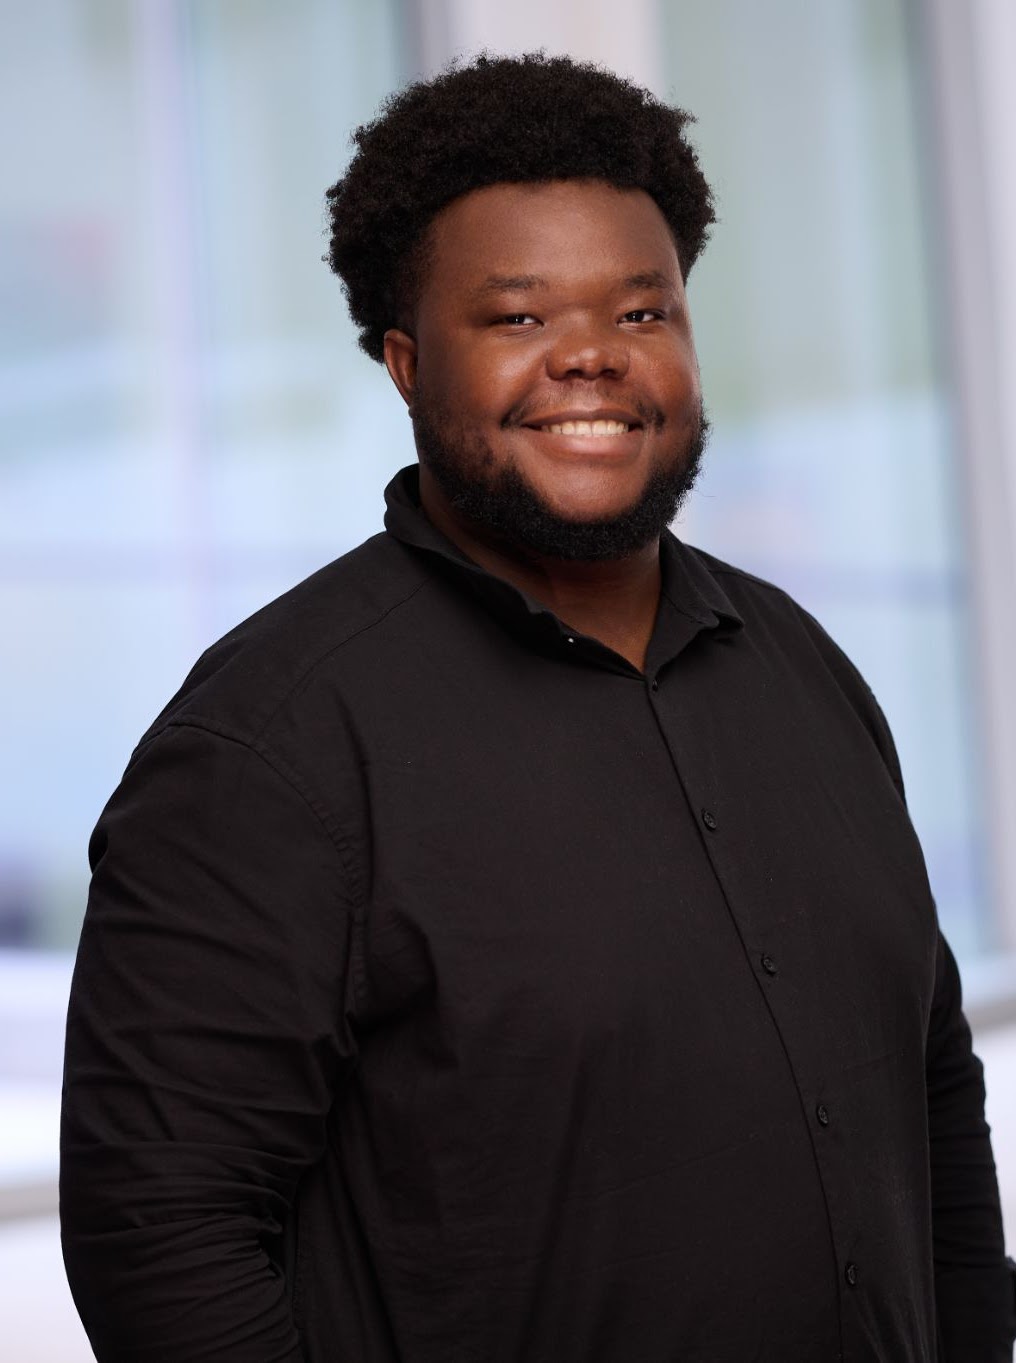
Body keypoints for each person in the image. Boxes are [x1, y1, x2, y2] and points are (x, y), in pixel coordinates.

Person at [60, 52, 1015, 1362]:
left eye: (642, 311)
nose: (591, 358)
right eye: (516, 318)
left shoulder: (804, 668)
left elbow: (928, 1087)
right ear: (406, 366)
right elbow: (163, 1237)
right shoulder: (269, 750)